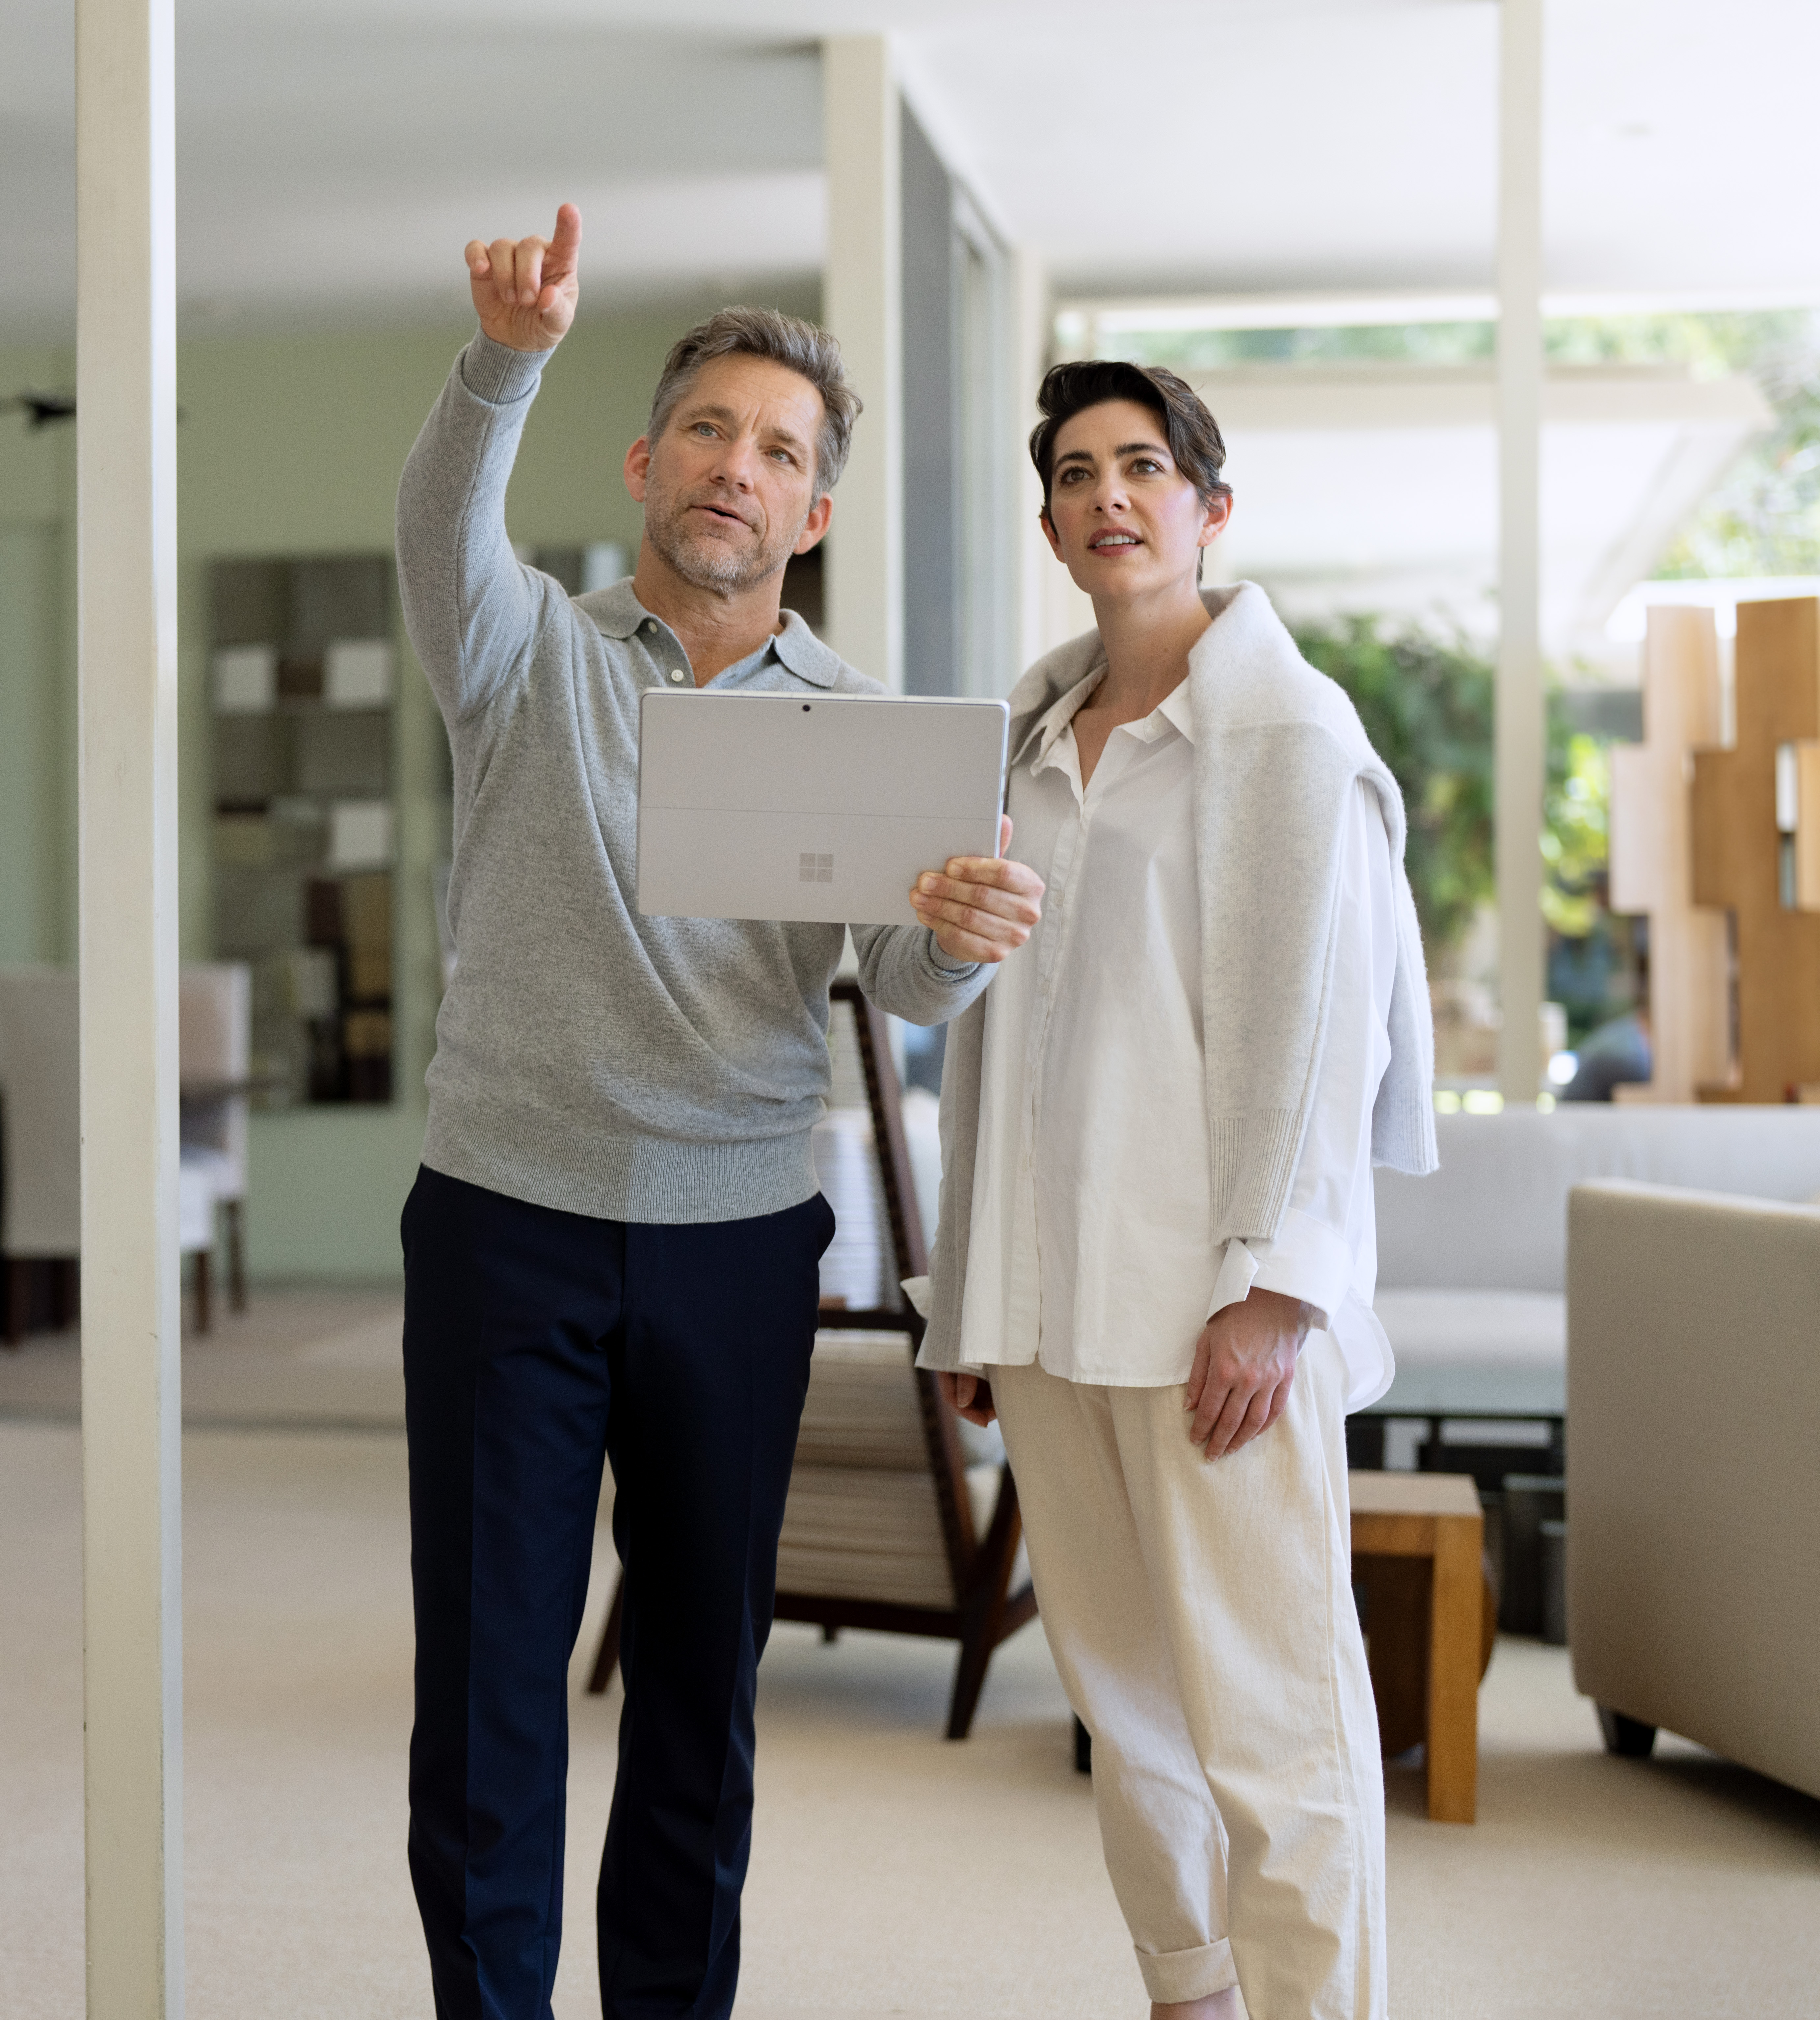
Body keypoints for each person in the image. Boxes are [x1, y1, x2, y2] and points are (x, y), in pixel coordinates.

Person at [395, 203, 1045, 2020]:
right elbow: (440, 522)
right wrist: (504, 357)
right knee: (492, 1694)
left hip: (738, 1244)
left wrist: (963, 943)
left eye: (779, 452)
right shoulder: (520, 651)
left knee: (699, 1692)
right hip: (505, 1224)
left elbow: (897, 994)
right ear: (647, 459)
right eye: (709, 431)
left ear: (811, 515)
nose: (737, 470)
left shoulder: (859, 727)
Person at [912, 360, 1438, 2020]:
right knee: (1124, 1711)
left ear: (1213, 509)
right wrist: (975, 1291)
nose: (1109, 494)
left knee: (1274, 1716)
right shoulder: (1020, 740)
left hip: (1218, 1309)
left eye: (1145, 466)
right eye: (1076, 472)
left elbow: (1328, 1032)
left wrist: (1277, 1289)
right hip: (1054, 1307)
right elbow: (994, 1038)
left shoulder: (1287, 736)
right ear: (1056, 525)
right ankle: (1190, 1996)